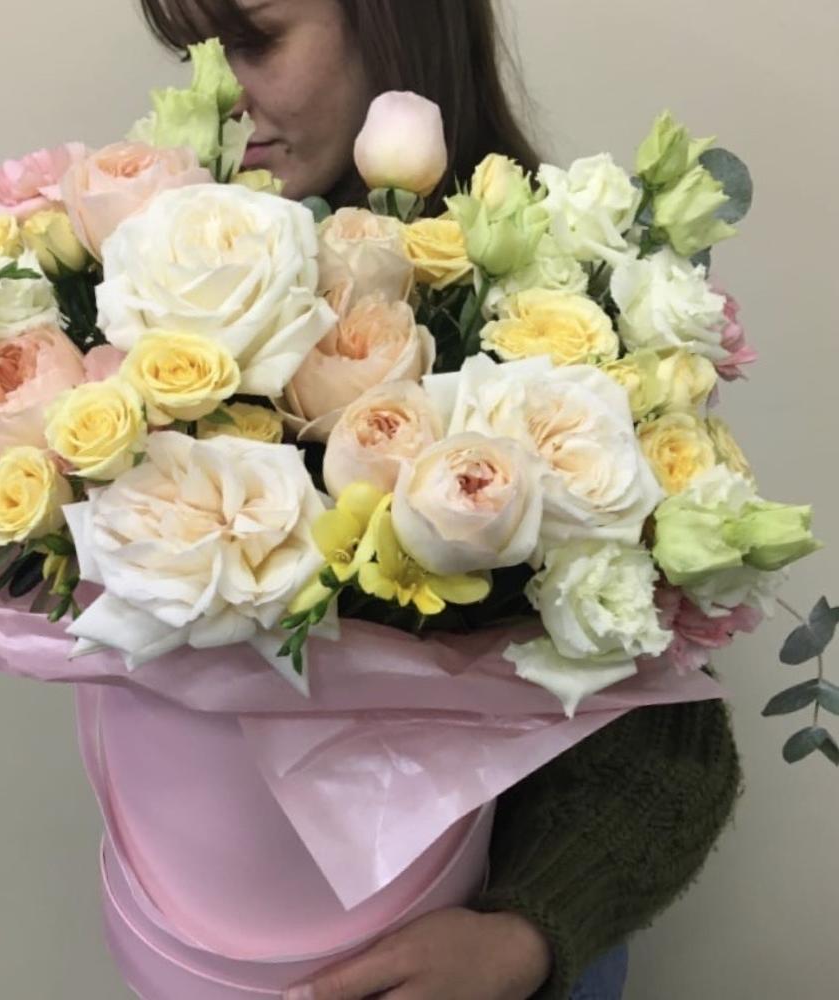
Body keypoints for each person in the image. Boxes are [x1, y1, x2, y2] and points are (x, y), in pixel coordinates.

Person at [137, 2, 743, 998]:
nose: (219, 92)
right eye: (194, 52)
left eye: (255, 40)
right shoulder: (179, 315)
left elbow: (674, 745)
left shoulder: (571, 330)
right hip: (227, 948)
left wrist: (523, 937)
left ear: (391, 21)